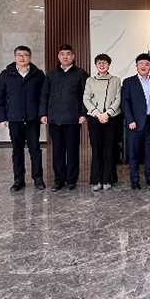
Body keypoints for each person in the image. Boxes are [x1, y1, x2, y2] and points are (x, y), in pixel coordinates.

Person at [0, 45, 46, 192]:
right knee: (17, 150)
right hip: (14, 118)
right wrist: (1, 117)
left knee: (35, 149)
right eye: (19, 55)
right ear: (15, 57)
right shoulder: (6, 74)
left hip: (32, 118)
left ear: (30, 57)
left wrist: (43, 114)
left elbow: (43, 97)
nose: (22, 58)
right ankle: (18, 180)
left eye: (25, 55)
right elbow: (0, 97)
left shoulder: (38, 74)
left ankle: (38, 178)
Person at [39, 44, 88, 191]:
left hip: (73, 118)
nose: (65, 56)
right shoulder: (51, 74)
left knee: (72, 150)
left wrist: (83, 113)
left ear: (73, 56)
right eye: (62, 54)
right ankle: (59, 179)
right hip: (54, 118)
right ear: (58, 57)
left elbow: (86, 95)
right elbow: (44, 95)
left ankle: (71, 180)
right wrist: (43, 113)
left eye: (68, 54)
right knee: (57, 150)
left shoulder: (80, 74)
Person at [121, 53, 150, 190]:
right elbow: (125, 102)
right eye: (141, 64)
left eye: (147, 64)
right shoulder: (129, 82)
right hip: (135, 123)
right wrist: (130, 120)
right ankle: (135, 180)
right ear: (136, 66)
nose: (143, 66)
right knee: (134, 153)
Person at [83, 53, 122, 192]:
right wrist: (98, 114)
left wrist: (108, 113)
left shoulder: (115, 80)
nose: (102, 65)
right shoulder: (90, 81)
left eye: (104, 62)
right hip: (95, 119)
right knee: (97, 149)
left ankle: (108, 179)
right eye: (99, 63)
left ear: (109, 65)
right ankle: (96, 180)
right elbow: (86, 99)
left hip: (111, 118)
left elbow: (118, 98)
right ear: (96, 65)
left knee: (109, 148)